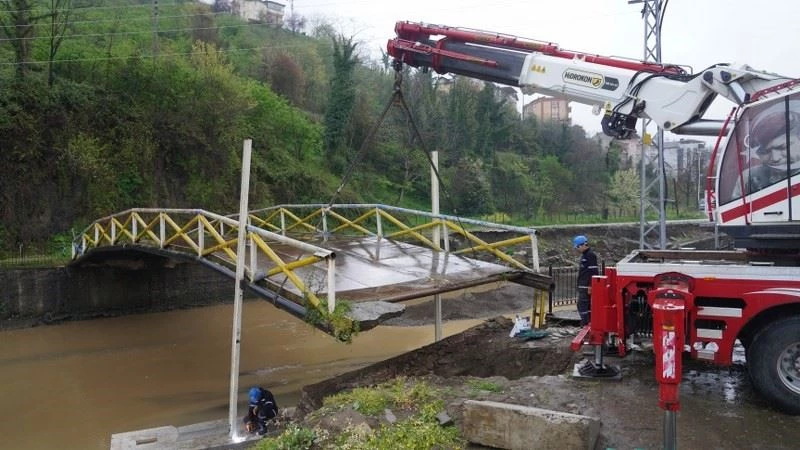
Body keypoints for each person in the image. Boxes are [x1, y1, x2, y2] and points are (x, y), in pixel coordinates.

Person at [573, 235, 599, 327]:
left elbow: (594, 272)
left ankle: (585, 323)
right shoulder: (585, 255)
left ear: (582, 245)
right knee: (585, 306)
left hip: (586, 286)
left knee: (582, 305)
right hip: (582, 285)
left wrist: (591, 286)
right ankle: (587, 323)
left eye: (577, 247)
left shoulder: (590, 255)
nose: (577, 249)